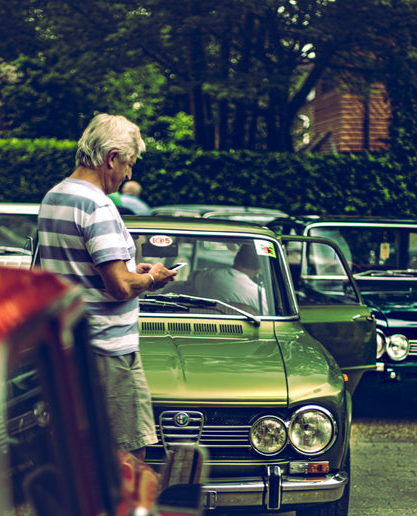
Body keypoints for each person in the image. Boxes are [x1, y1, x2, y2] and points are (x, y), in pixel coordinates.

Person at [38, 114, 177, 458]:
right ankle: (116, 513)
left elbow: (73, 270)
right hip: (108, 349)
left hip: (70, 344)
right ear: (111, 157)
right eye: (129, 163)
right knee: (127, 456)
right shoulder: (98, 205)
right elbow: (118, 286)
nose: (129, 174)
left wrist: (131, 268)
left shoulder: (54, 198)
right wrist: (149, 278)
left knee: (77, 455)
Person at [192, 243, 266, 313]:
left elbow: (192, 277)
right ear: (258, 270)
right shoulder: (260, 295)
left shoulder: (207, 275)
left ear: (236, 259)